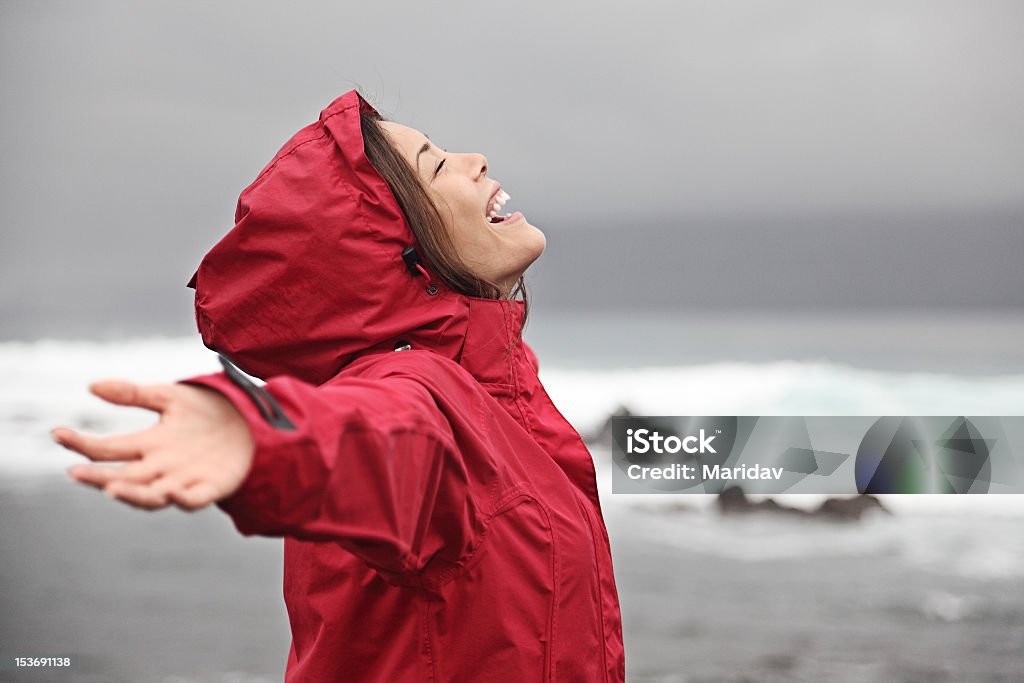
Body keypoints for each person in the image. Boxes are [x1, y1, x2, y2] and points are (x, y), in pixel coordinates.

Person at [51, 89, 625, 682]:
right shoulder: (415, 386)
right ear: (406, 254)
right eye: (436, 164)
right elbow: (372, 440)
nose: (475, 159)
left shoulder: (498, 389)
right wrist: (256, 440)